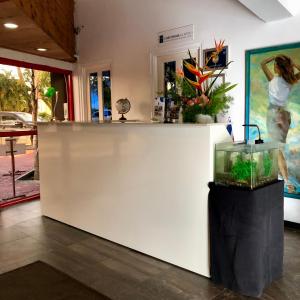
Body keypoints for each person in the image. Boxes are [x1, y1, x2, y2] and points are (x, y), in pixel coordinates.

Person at [261, 55, 300, 192]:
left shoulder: (273, 80)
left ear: (278, 67)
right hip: (284, 115)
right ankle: (284, 179)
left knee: (276, 149)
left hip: (273, 114)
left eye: (275, 65)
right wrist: (293, 63)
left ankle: (286, 181)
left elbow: (262, 63)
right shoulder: (290, 80)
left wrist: (272, 57)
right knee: (279, 149)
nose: (273, 66)